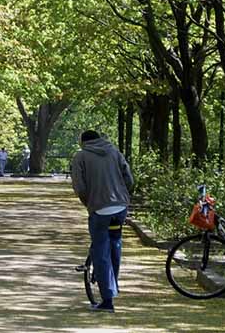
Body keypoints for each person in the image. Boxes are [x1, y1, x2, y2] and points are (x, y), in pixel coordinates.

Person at [70, 130, 134, 313]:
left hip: (100, 209)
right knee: (115, 244)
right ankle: (114, 283)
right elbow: (129, 178)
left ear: (83, 142)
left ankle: (107, 300)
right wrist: (123, 196)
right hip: (120, 208)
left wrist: (89, 202)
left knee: (101, 251)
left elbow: (80, 187)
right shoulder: (115, 152)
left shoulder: (81, 156)